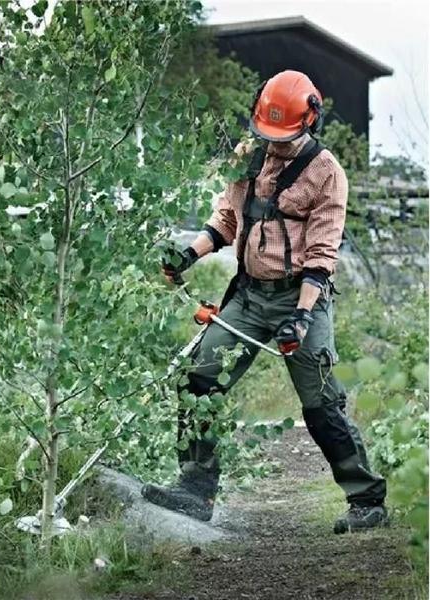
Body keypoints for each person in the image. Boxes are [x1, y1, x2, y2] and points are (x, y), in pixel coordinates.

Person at [141, 70, 388, 534]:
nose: (274, 144)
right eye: (267, 134)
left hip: (301, 296)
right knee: (199, 378)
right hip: (250, 295)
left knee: (320, 403)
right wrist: (188, 254)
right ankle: (195, 490)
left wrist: (301, 317)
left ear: (309, 122)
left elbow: (322, 254)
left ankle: (366, 499)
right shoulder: (248, 155)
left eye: (284, 136)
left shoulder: (326, 173)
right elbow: (227, 219)